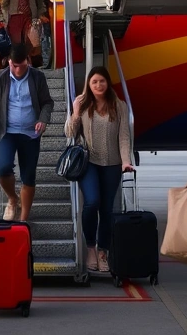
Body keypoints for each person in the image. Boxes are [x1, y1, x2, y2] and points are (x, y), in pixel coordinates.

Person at [65, 66, 134, 274]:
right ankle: (90, 248)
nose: (98, 85)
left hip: (112, 164)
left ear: (107, 82)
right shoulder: (83, 103)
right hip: (89, 163)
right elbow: (69, 132)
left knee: (106, 209)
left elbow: (123, 136)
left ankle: (103, 253)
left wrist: (125, 161)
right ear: (89, 84)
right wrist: (76, 113)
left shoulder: (119, 105)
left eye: (102, 81)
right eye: (94, 82)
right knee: (92, 202)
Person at [0, 43, 54, 221]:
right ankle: (13, 198)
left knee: (28, 176)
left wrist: (43, 119)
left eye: (21, 65)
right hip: (7, 132)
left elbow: (47, 102)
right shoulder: (0, 79)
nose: (17, 69)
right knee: (4, 167)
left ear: (28, 62)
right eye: (14, 65)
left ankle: (23, 220)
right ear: (9, 62)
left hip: (30, 134)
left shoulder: (37, 77)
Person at [0, 0, 47, 66]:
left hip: (30, 17)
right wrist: (6, 17)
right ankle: (18, 66)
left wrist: (40, 15)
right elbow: (4, 3)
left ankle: (30, 66)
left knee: (30, 44)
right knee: (17, 45)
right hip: (14, 18)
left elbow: (40, 1)